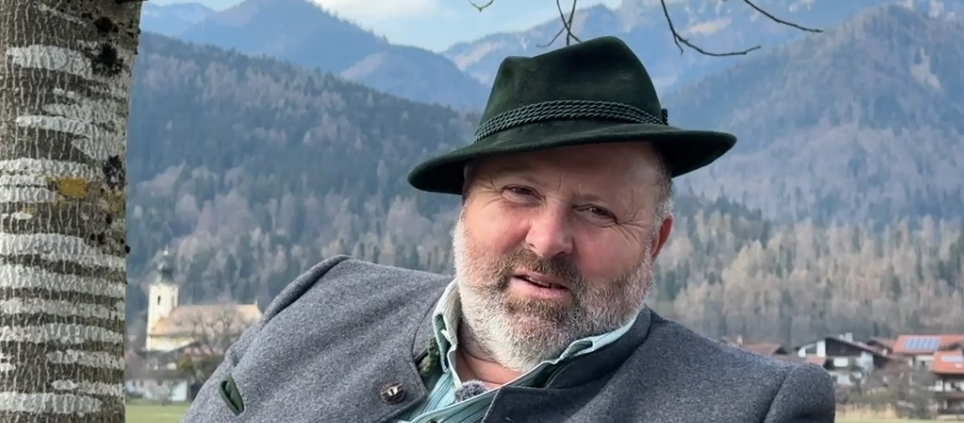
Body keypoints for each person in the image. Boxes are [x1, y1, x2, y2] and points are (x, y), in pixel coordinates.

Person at [180, 36, 835, 423]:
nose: (547, 240)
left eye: (597, 211)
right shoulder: (324, 297)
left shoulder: (752, 406)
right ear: (465, 204)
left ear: (654, 242)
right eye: (520, 192)